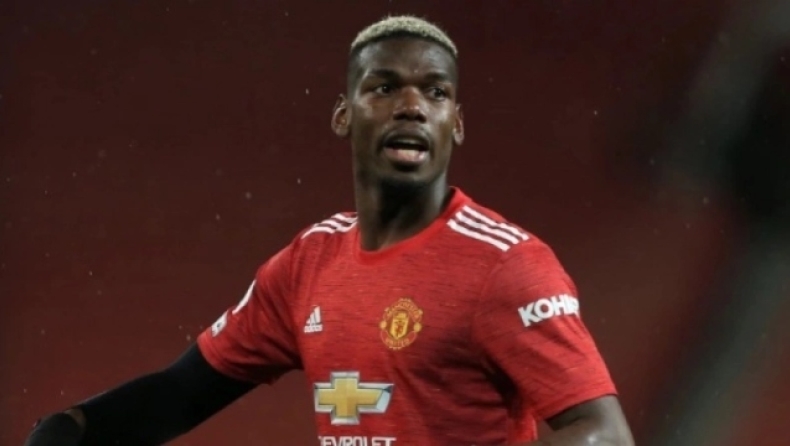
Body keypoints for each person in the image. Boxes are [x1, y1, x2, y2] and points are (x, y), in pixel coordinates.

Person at [23, 15, 634, 446]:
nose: (412, 106)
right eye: (385, 87)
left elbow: (604, 434)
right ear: (343, 115)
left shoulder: (506, 265)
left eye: (435, 92)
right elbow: (184, 393)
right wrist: (75, 429)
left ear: (456, 123)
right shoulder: (308, 264)